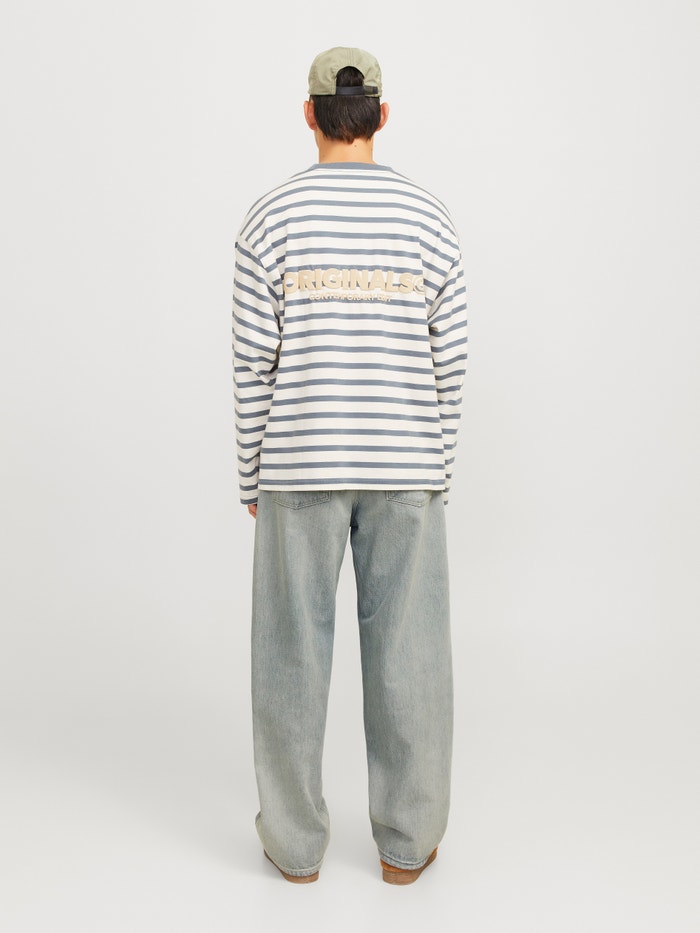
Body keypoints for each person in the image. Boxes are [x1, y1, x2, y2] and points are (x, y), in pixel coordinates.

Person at [231, 46, 468, 885]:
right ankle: (408, 842)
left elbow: (253, 361)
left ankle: (294, 847)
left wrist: (252, 470)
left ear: (310, 115)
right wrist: (437, 464)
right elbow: (450, 359)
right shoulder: (429, 219)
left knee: (289, 655)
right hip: (407, 464)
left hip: (300, 462)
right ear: (382, 115)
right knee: (411, 655)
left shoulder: (270, 218)